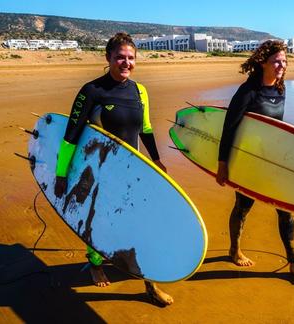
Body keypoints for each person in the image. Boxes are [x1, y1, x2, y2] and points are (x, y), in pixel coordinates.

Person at [54, 32, 173, 306]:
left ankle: (150, 285)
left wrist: (156, 160)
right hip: (101, 172)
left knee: (143, 225)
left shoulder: (139, 91)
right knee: (99, 220)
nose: (126, 63)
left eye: (131, 58)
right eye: (120, 57)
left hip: (133, 170)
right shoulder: (92, 91)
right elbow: (71, 135)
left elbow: (145, 129)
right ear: (108, 58)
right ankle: (95, 262)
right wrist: (62, 174)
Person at [216, 40, 294, 275]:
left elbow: (276, 128)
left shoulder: (281, 89)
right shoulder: (248, 91)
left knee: (285, 208)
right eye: (276, 61)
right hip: (249, 159)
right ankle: (234, 250)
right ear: (263, 63)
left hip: (273, 160)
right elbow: (229, 128)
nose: (281, 65)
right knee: (243, 206)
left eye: (284, 61)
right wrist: (223, 164)